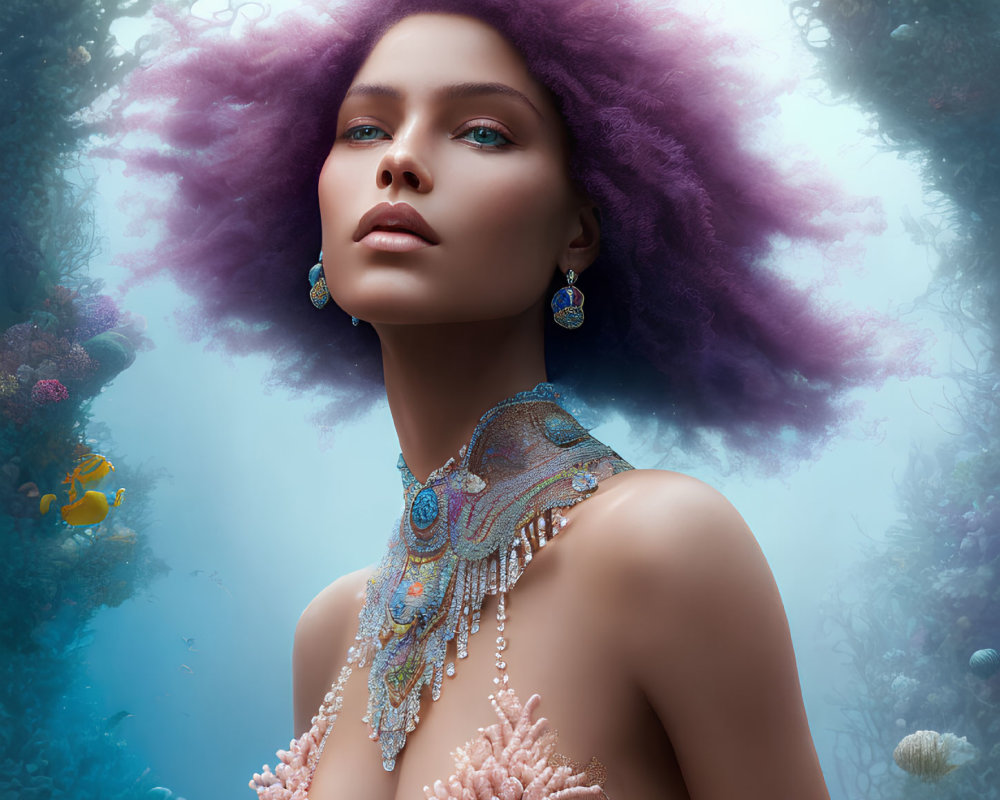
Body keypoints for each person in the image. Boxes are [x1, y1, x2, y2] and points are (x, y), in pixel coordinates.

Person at [109, 0, 897, 796]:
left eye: (483, 131)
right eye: (364, 130)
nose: (400, 162)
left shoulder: (661, 544)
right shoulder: (331, 635)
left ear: (578, 233)